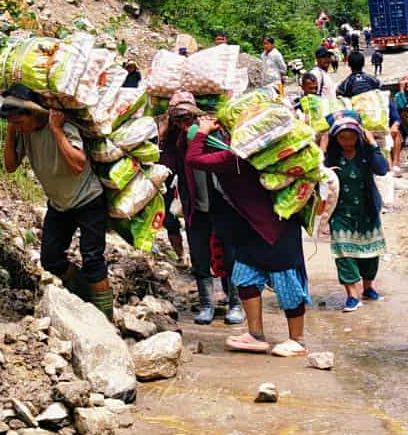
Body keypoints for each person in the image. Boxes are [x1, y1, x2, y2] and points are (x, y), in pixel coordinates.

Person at [181, 110, 309, 357]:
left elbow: (194, 159)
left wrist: (203, 132)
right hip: (253, 228)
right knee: (245, 278)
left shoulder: (237, 158)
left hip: (274, 230)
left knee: (286, 283)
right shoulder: (250, 154)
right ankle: (255, 334)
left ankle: (298, 340)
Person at [0, 84, 116, 316]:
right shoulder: (23, 131)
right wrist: (12, 130)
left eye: (19, 122)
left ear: (34, 114)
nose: (18, 127)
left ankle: (107, 316)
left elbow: (78, 163)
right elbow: (10, 166)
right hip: (59, 204)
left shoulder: (63, 126)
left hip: (88, 199)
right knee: (50, 259)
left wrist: (57, 131)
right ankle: (89, 298)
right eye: (13, 123)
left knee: (93, 259)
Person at [159, 91, 245, 326]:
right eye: (179, 121)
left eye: (188, 119)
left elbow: (229, 160)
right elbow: (163, 165)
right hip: (194, 206)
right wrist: (164, 133)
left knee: (231, 253)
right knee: (199, 254)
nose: (185, 125)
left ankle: (236, 303)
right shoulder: (176, 142)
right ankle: (206, 304)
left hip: (222, 204)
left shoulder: (214, 134)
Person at [322, 113, 388, 311]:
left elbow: (382, 169)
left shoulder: (367, 153)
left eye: (352, 136)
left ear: (359, 136)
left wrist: (373, 144)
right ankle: (352, 294)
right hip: (340, 212)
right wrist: (322, 148)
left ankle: (368, 288)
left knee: (371, 253)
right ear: (336, 139)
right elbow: (316, 171)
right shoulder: (332, 156)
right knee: (344, 254)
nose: (347, 142)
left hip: (367, 211)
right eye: (342, 137)